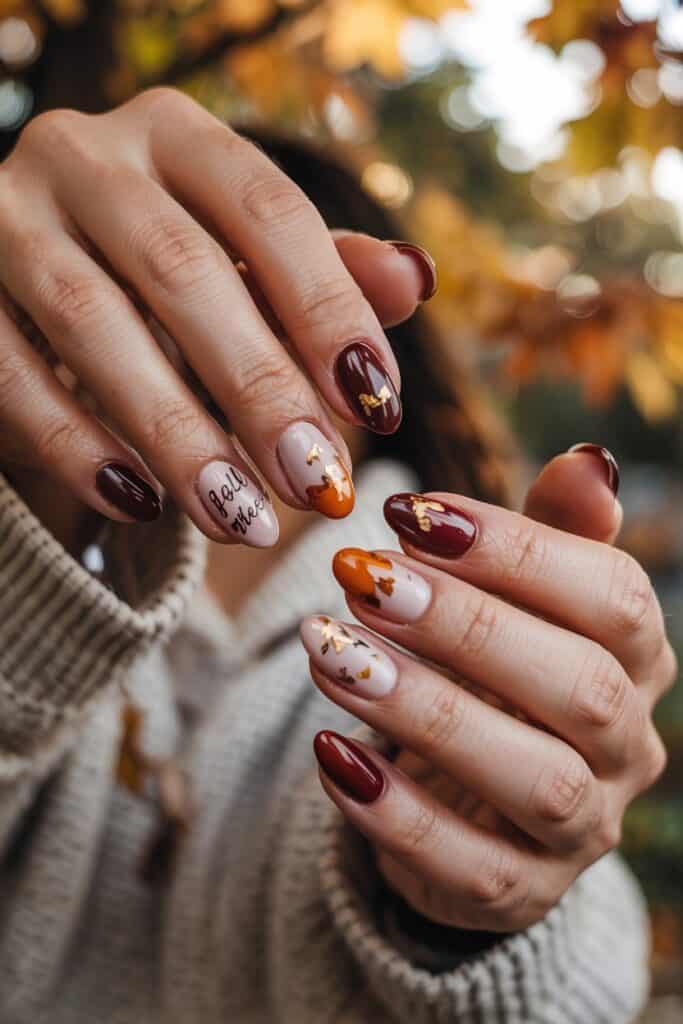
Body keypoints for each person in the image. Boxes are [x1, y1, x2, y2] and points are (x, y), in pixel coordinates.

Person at [0, 86, 674, 1024]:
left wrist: (467, 921)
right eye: (158, 300)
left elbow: (588, 986)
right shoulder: (44, 579)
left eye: (268, 302)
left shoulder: (474, 627)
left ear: (374, 341)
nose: (217, 343)